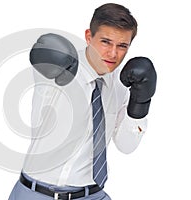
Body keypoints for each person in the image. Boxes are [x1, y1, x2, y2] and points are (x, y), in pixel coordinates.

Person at [8, 3, 156, 200]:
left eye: (122, 46)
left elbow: (126, 146)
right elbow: (39, 113)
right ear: (89, 36)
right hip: (37, 193)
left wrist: (141, 103)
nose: (113, 54)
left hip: (91, 194)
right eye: (105, 42)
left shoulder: (123, 85)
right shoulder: (59, 68)